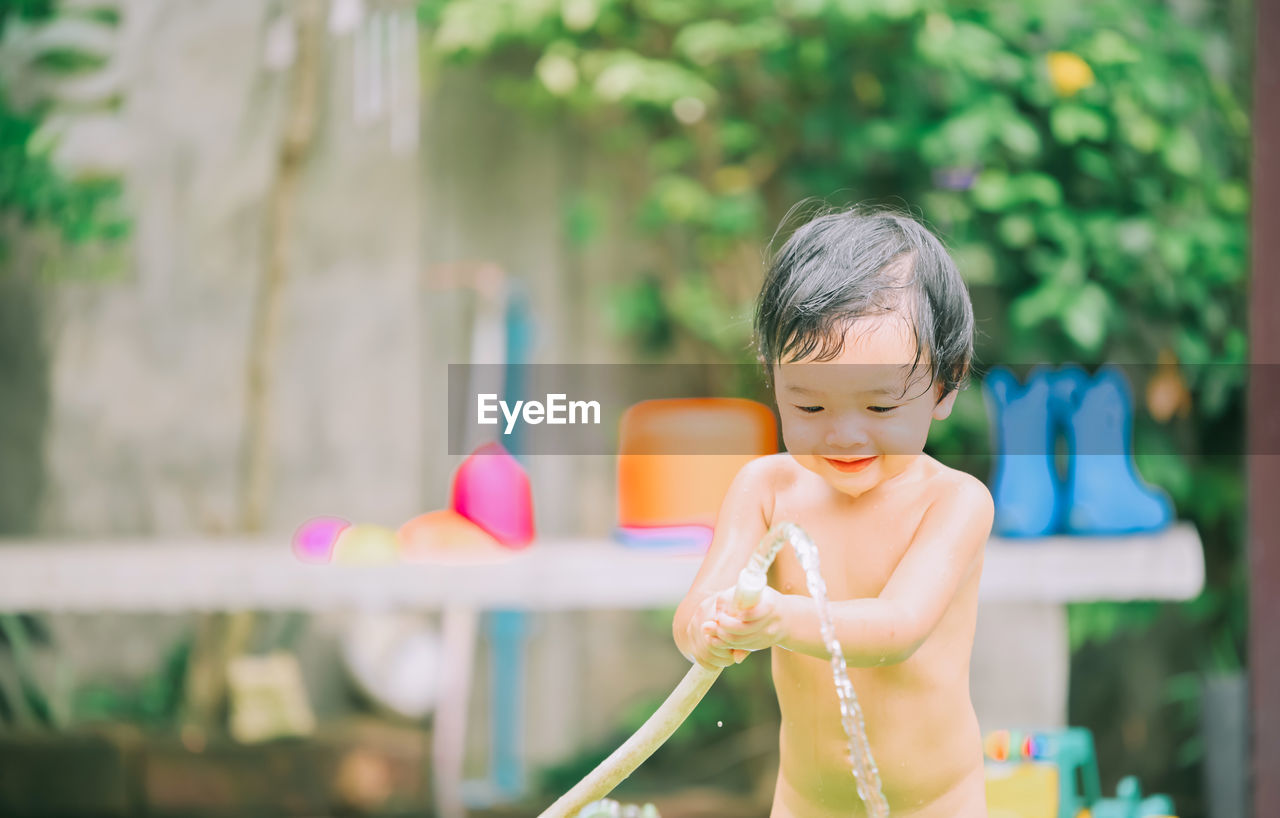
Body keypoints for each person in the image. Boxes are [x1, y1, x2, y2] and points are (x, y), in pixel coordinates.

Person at [673, 206, 994, 817]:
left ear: (946, 385)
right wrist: (709, 631)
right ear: (775, 382)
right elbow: (695, 612)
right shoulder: (765, 487)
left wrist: (777, 618)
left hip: (936, 804)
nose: (844, 437)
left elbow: (897, 627)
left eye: (878, 409)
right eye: (811, 409)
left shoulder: (952, 502)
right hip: (806, 804)